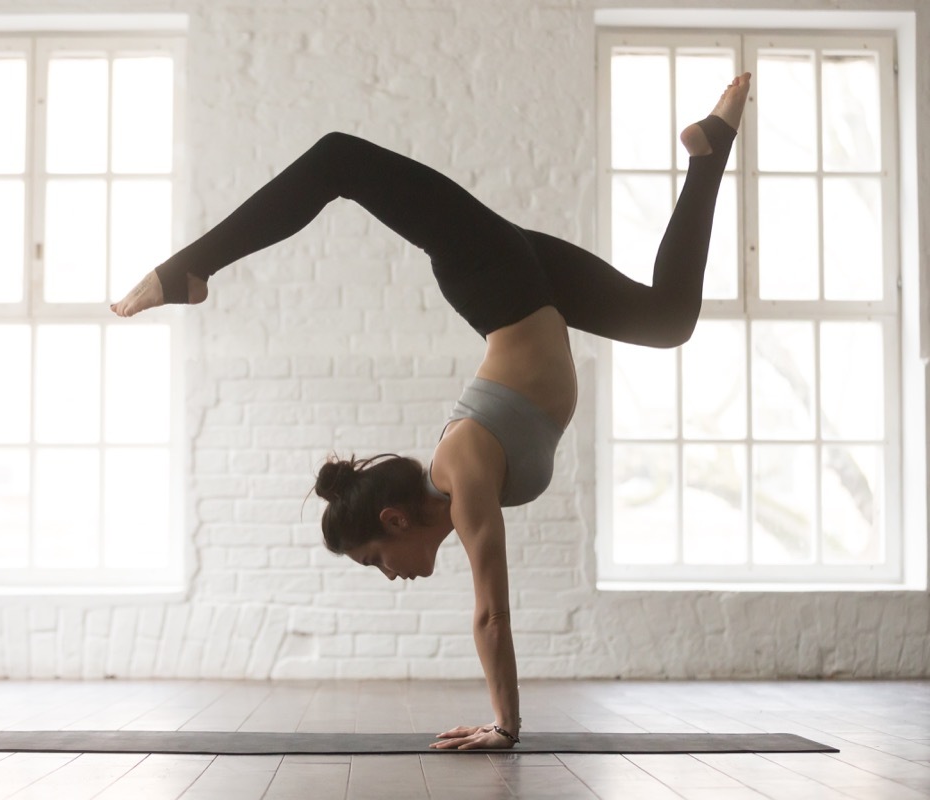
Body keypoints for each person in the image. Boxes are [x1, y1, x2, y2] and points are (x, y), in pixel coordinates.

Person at [113, 74, 752, 750]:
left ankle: (189, 269)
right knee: (668, 319)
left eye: (374, 561)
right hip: (528, 283)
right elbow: (491, 612)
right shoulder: (461, 477)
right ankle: (711, 153)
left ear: (393, 521)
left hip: (497, 276)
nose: (388, 576)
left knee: (339, 160)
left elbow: (491, 615)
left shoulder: (464, 466)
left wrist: (505, 728)